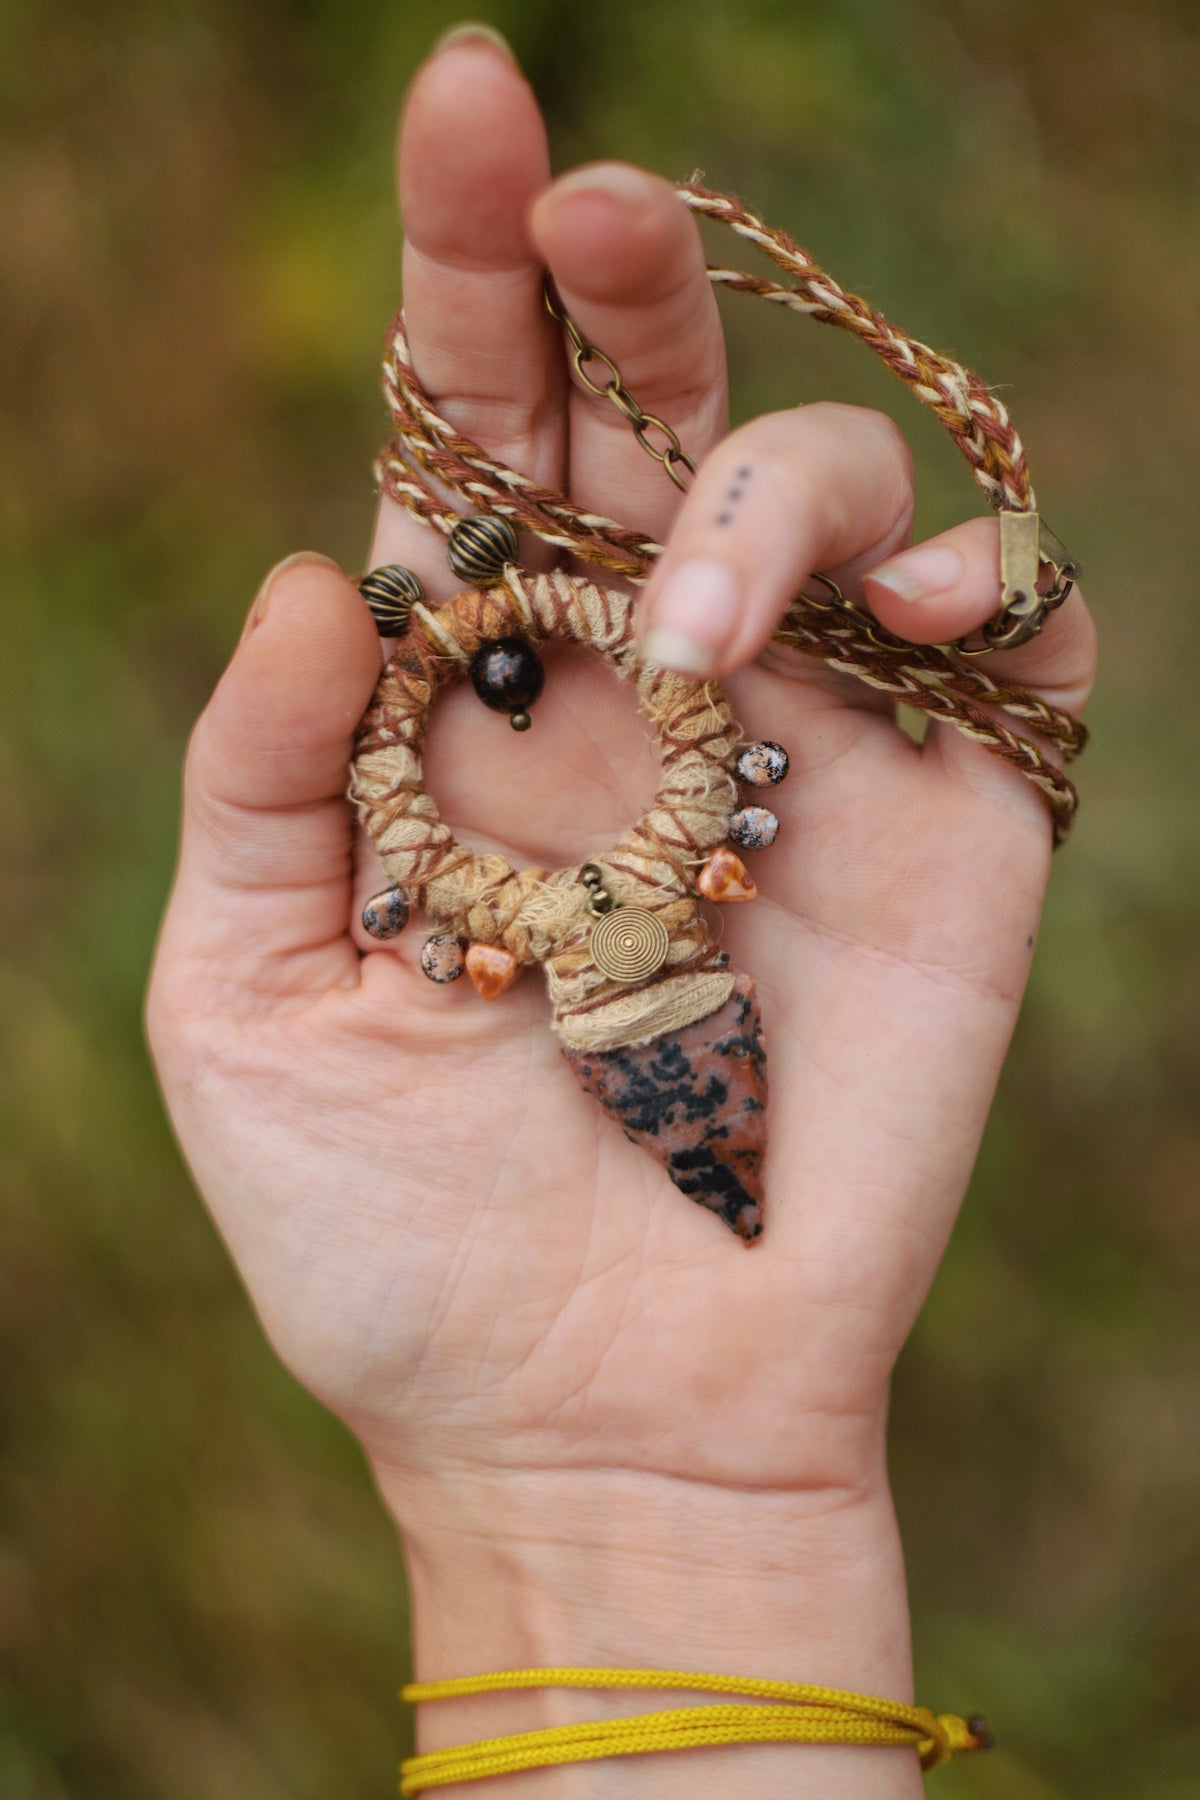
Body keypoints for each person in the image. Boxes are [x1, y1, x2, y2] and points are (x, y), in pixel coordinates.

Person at [146, 22, 1096, 1797]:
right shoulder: (499, 816)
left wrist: (676, 1537)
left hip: (639, 966)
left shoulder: (554, 834)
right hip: (623, 964)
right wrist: (595, 1507)